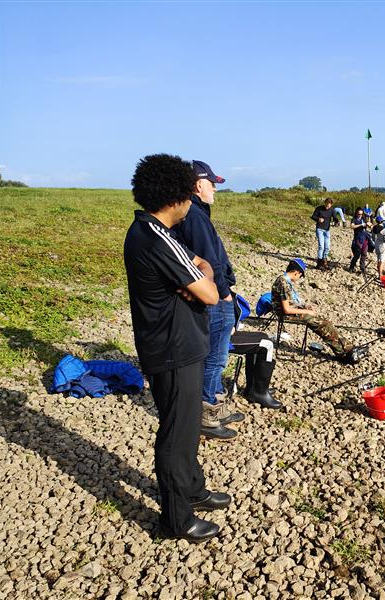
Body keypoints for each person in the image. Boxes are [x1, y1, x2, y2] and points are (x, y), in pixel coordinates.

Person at [124, 153, 229, 543]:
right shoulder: (157, 238)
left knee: (186, 428)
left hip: (178, 345)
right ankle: (176, 518)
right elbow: (210, 294)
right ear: (177, 197)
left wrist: (200, 275)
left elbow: (199, 271)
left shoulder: (151, 231)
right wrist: (203, 277)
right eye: (188, 195)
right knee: (176, 434)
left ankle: (193, 488)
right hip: (172, 349)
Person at [175, 160, 243, 441]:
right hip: (214, 296)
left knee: (218, 355)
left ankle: (216, 403)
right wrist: (224, 293)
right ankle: (206, 413)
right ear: (198, 185)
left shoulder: (196, 213)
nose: (215, 189)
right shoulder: (195, 215)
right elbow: (209, 260)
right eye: (212, 183)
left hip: (214, 292)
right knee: (215, 356)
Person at [271, 259, 364, 364]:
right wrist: (306, 312)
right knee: (323, 324)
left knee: (325, 324)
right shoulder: (284, 283)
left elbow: (292, 301)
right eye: (300, 276)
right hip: (286, 315)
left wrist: (305, 306)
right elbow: (286, 309)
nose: (299, 279)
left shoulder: (283, 280)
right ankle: (345, 352)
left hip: (291, 312)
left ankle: (346, 350)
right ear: (296, 273)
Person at [311, 198, 334, 270]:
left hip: (327, 230)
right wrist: (318, 219)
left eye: (329, 206)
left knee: (327, 247)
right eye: (326, 205)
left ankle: (324, 261)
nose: (327, 207)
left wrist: (337, 222)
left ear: (331, 205)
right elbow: (313, 216)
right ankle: (319, 263)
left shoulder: (331, 210)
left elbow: (335, 217)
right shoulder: (319, 208)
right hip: (319, 229)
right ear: (325, 203)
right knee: (321, 246)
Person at [349, 207, 370, 275]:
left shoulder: (364, 218)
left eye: (361, 214)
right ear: (356, 213)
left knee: (364, 254)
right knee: (357, 254)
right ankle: (351, 267)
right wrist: (361, 225)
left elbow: (370, 224)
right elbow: (352, 226)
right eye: (359, 214)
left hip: (365, 238)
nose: (360, 215)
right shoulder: (354, 219)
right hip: (358, 238)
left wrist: (369, 224)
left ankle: (362, 268)